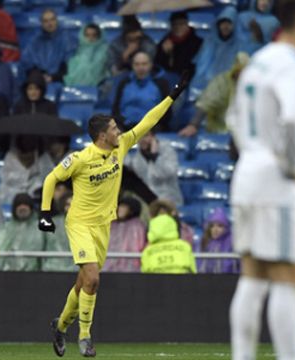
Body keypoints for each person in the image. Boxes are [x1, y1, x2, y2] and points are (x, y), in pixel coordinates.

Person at [38, 71, 189, 357]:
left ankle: (60, 325)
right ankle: (84, 336)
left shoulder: (121, 148)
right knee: (93, 279)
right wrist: (45, 213)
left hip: (103, 226)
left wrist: (172, 96)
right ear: (101, 135)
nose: (119, 131)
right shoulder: (80, 159)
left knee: (83, 282)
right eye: (114, 128)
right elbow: (50, 179)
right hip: (80, 223)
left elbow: (149, 120)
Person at [227, 1, 295, 359]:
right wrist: (293, 166)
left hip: (247, 172)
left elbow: (234, 118)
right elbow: (294, 119)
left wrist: (253, 152)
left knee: (252, 276)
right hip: (275, 178)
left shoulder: (257, 61)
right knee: (288, 277)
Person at [178, 53, 249, 137]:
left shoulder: (252, 85)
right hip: (220, 131)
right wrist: (193, 125)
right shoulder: (222, 82)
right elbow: (206, 104)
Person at [112, 51, 170, 130]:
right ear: (132, 66)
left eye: (144, 64)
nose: (141, 68)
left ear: (150, 65)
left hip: (152, 129)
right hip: (126, 128)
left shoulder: (161, 84)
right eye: (137, 64)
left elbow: (167, 112)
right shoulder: (124, 83)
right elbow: (115, 111)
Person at [124, 130, 183, 206]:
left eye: (145, 136)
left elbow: (168, 173)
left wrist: (155, 156)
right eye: (139, 137)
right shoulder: (137, 158)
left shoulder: (167, 151)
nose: (142, 140)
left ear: (153, 137)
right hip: (148, 203)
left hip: (169, 201)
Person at [20, 9, 76, 83]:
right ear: (41, 23)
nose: (50, 23)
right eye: (46, 21)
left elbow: (70, 64)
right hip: (38, 79)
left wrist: (53, 77)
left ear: (56, 21)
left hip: (60, 79)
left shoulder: (67, 38)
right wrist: (41, 76)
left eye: (52, 20)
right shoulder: (35, 40)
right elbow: (27, 63)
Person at [0, 193, 45, 271]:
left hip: (35, 275)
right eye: (19, 205)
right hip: (9, 275)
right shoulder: (6, 228)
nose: (22, 207)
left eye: (25, 204)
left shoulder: (40, 228)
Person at [103, 196, 146, 272]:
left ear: (132, 210)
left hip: (130, 268)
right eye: (120, 206)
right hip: (108, 267)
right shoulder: (112, 224)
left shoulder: (137, 225)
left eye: (124, 207)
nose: (120, 209)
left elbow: (138, 246)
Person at [154, 11, 203, 77]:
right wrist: (164, 53)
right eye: (174, 24)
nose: (178, 27)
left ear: (187, 24)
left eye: (181, 24)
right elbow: (158, 64)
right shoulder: (165, 42)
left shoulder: (198, 43)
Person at [197, 207, 237, 273]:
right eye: (212, 226)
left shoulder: (231, 242)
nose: (215, 229)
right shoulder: (205, 242)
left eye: (220, 226)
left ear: (226, 228)